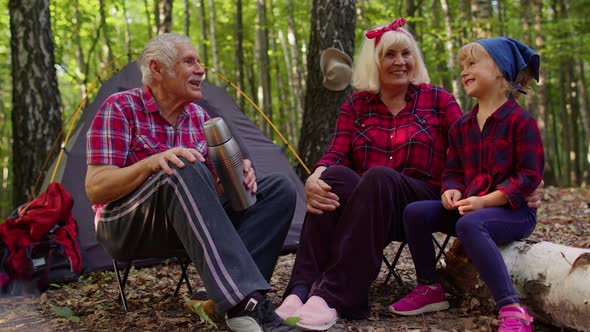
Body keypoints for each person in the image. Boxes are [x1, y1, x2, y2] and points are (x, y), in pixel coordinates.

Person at [85, 33, 297, 332]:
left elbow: (210, 191)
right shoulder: (120, 107)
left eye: (198, 61)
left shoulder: (198, 116)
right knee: (180, 166)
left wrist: (237, 175)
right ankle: (244, 304)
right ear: (157, 69)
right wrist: (152, 163)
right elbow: (96, 187)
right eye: (189, 61)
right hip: (125, 225)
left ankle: (216, 296)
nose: (201, 69)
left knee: (277, 189)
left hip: (189, 224)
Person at [274, 18, 464, 331]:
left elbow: (469, 147)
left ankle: (335, 295)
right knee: (331, 177)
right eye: (390, 55)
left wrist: (515, 178)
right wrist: (314, 177)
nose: (400, 62)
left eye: (406, 53)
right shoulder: (356, 105)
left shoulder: (438, 100)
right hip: (369, 209)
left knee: (379, 176)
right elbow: (336, 152)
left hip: (421, 202)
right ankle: (300, 291)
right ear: (373, 63)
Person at [390, 37, 543, 332]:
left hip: (513, 213)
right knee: (416, 212)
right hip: (470, 207)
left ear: (500, 70)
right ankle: (429, 288)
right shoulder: (462, 126)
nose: (464, 71)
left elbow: (528, 176)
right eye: (462, 66)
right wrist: (452, 188)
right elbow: (454, 169)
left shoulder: (521, 122)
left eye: (472, 63)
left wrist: (486, 202)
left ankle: (512, 308)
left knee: (471, 225)